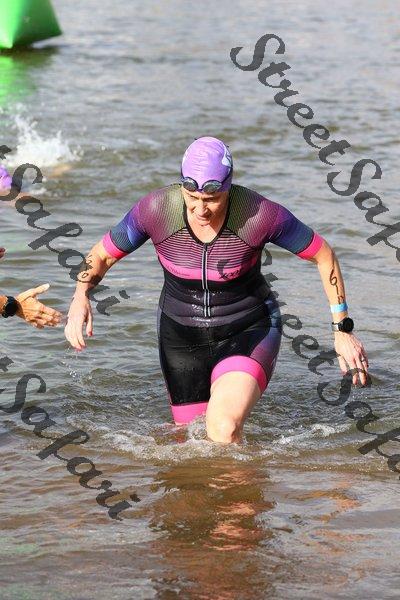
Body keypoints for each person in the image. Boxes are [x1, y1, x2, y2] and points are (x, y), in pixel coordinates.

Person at [64, 137, 369, 443]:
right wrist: (80, 297)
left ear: (228, 187)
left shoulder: (259, 214)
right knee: (190, 443)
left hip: (247, 329)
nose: (200, 209)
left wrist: (341, 328)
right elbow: (101, 255)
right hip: (180, 339)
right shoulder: (156, 210)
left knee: (223, 427)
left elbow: (323, 254)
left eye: (212, 199)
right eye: (191, 197)